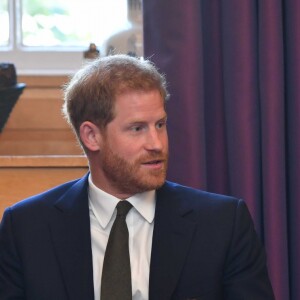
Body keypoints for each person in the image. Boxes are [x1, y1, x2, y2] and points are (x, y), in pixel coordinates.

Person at [0, 54, 275, 300]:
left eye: (160, 124)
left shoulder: (223, 224)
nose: (157, 143)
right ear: (92, 136)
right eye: (137, 128)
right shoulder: (26, 228)